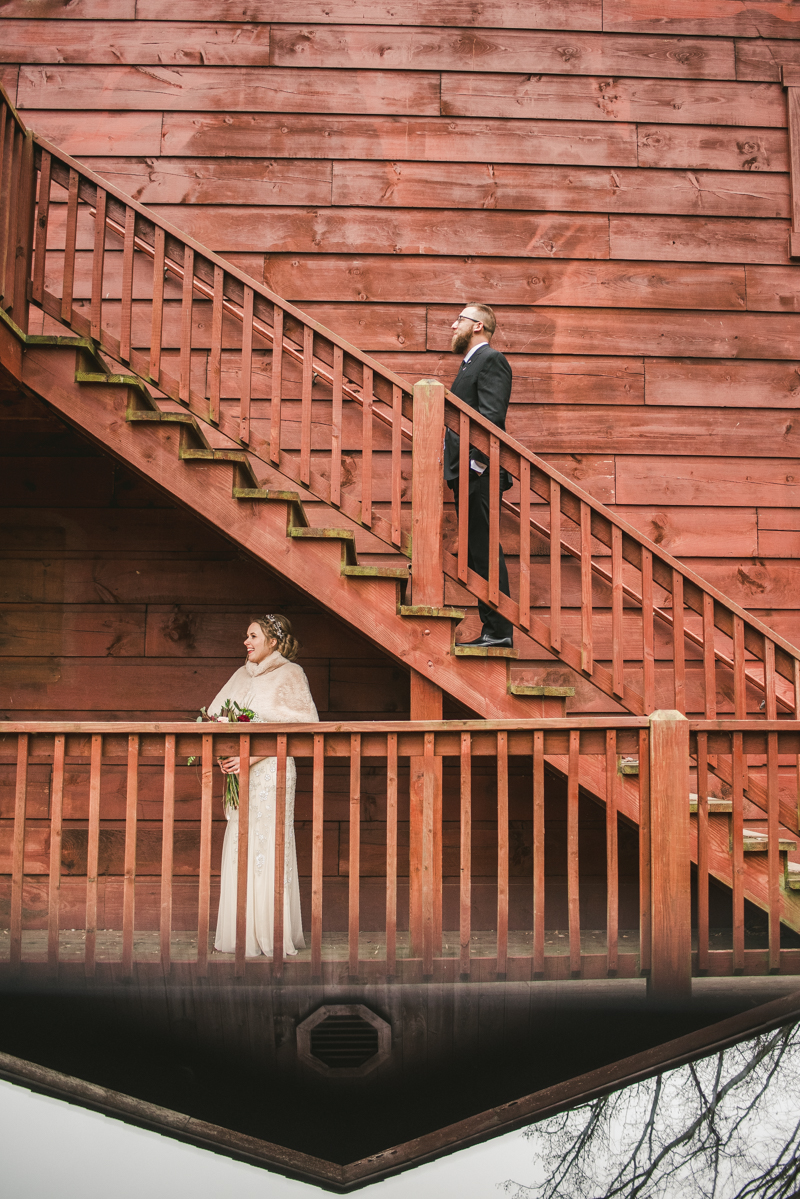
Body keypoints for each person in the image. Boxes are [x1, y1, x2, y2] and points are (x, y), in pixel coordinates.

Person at [209, 614, 318, 958]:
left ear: (272, 641)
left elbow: (303, 729)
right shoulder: (241, 674)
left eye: (253, 636)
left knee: (267, 845)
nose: (246, 641)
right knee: (240, 843)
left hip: (273, 771)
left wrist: (250, 757)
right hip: (241, 775)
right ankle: (241, 931)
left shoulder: (291, 674)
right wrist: (225, 754)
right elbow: (216, 717)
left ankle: (270, 933)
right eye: (246, 636)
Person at [444, 302, 514, 648]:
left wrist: (477, 465)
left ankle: (499, 632)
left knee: (484, 550)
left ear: (477, 327)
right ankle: (493, 629)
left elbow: (491, 418)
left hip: (478, 474)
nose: (452, 326)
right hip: (466, 475)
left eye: (459, 320)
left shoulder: (491, 360)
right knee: (476, 551)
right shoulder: (468, 364)